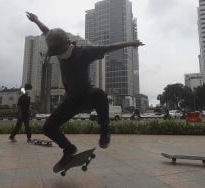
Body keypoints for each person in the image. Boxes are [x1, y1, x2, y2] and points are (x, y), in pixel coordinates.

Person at [25, 12, 144, 168]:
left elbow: (109, 47)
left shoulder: (85, 52)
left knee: (100, 94)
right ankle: (69, 149)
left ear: (67, 43)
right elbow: (47, 31)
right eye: (56, 53)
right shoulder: (56, 43)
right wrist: (37, 20)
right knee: (48, 128)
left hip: (87, 95)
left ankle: (105, 131)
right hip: (71, 100)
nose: (59, 55)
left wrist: (131, 43)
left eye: (60, 51)